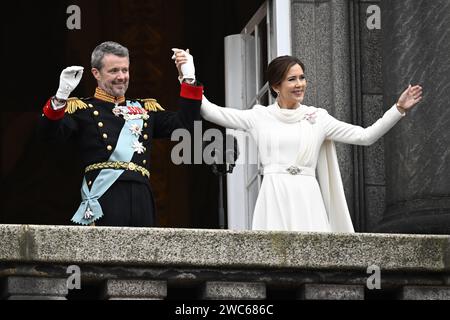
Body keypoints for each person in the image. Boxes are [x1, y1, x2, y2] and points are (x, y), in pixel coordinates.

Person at [174, 53, 423, 232]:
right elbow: (208, 110)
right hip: (274, 195)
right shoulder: (259, 116)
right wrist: (188, 75)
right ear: (276, 86)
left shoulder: (318, 118)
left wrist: (398, 108)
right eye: (292, 79)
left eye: (302, 78)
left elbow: (365, 136)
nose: (299, 84)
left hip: (308, 198)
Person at [40, 41, 203, 227]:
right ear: (96, 73)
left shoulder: (145, 109)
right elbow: (48, 135)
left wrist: (189, 78)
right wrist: (61, 96)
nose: (121, 77)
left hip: (142, 197)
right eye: (114, 71)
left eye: (125, 70)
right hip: (105, 197)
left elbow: (185, 125)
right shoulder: (83, 109)